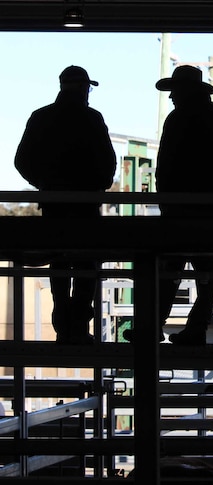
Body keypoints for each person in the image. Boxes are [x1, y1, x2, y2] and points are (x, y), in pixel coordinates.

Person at [124, 65, 213, 345]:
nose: (172, 97)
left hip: (176, 212)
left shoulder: (176, 120)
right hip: (212, 211)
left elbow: (164, 167)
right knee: (206, 276)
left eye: (174, 91)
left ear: (183, 92)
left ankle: (151, 327)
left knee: (167, 272)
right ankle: (196, 329)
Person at [14, 65, 116, 345]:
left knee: (59, 265)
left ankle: (62, 326)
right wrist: (98, 186)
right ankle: (79, 327)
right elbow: (108, 161)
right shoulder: (92, 119)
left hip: (53, 204)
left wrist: (44, 184)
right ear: (85, 88)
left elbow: (22, 160)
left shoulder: (41, 117)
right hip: (85, 205)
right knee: (86, 266)